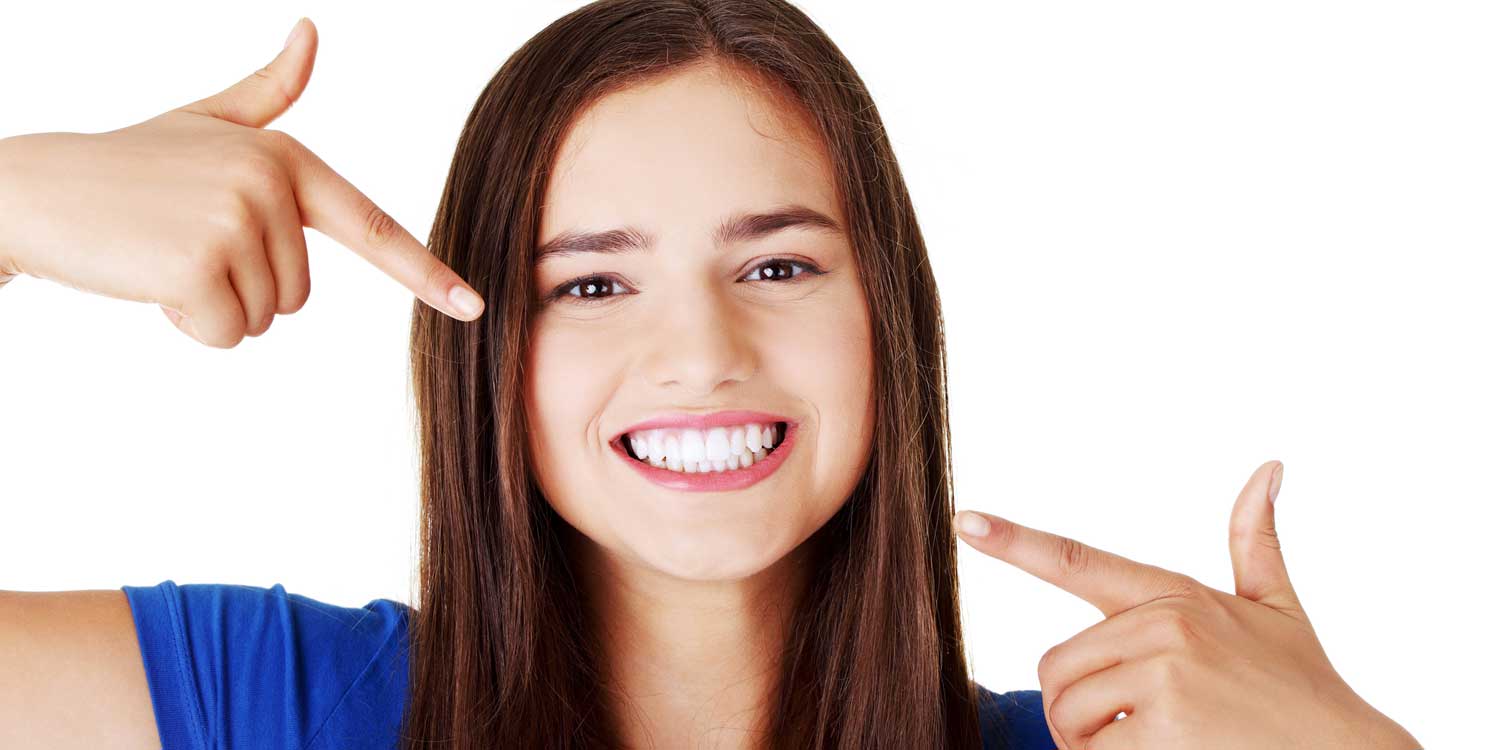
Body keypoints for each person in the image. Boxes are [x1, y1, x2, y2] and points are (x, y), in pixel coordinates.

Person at [0, 3, 1421, 749]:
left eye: (780, 266)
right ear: (483, 349)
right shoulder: (274, 704)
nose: (700, 353)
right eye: (592, 283)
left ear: (891, 322)